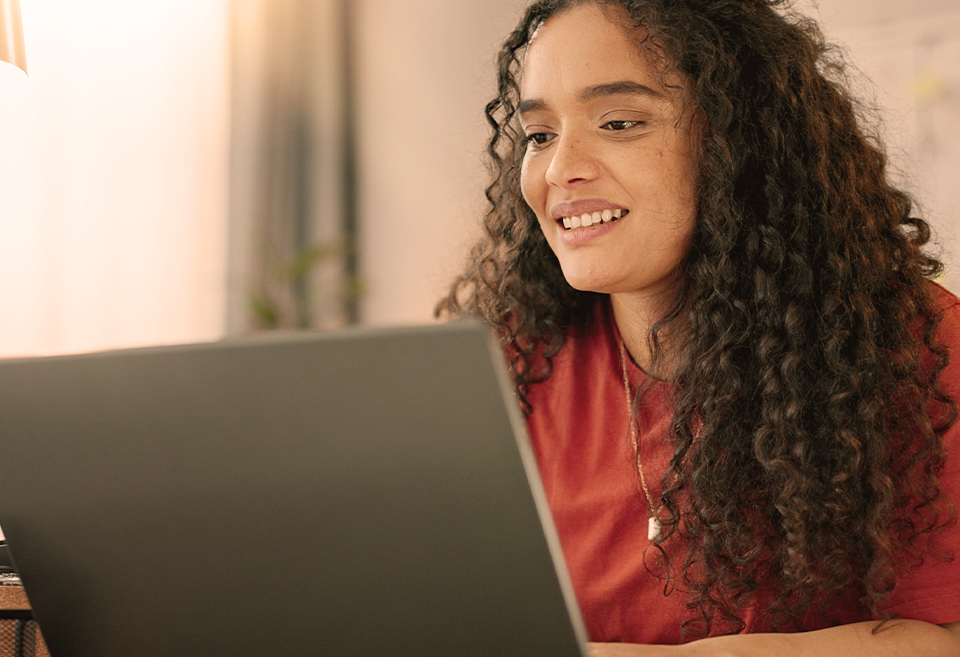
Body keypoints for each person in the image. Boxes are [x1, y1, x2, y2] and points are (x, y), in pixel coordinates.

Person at [437, 0, 960, 655]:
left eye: (619, 122)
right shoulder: (510, 365)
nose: (558, 169)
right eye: (539, 134)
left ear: (739, 142)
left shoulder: (918, 351)